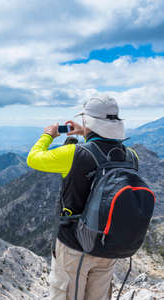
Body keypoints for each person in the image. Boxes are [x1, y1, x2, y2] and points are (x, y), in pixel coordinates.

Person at [26, 96, 136, 300]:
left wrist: (48, 135)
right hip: (109, 245)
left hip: (74, 245)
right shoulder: (130, 156)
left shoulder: (73, 154)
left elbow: (33, 158)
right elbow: (102, 154)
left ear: (88, 122)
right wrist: (85, 132)